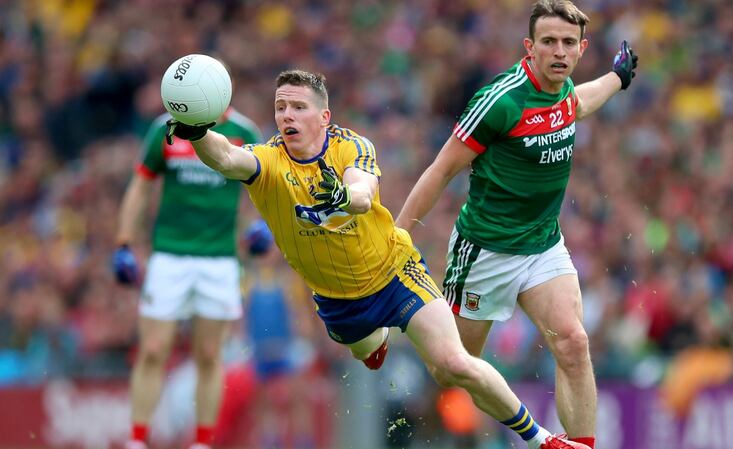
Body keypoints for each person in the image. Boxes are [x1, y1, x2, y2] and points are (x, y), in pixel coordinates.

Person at [163, 69, 591, 449]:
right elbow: (226, 156)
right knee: (367, 351)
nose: (286, 116)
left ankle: (542, 440)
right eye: (280, 107)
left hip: (395, 273)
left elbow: (363, 193)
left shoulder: (351, 146)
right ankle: (378, 342)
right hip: (338, 299)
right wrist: (196, 133)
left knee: (455, 362)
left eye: (298, 107)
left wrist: (342, 197)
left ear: (324, 117)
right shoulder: (268, 161)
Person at [395, 2, 639, 448]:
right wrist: (399, 235)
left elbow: (578, 103)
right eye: (549, 42)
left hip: (544, 244)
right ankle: (421, 431)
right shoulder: (500, 100)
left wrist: (618, 79)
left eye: (568, 43)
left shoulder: (563, 90)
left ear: (582, 48)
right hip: (485, 253)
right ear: (530, 47)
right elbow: (441, 169)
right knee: (451, 370)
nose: (559, 51)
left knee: (573, 342)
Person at [112, 106, 267, 449]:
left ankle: (202, 442)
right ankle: (137, 440)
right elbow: (141, 184)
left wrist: (259, 226)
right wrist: (124, 241)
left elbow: (261, 188)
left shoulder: (244, 131)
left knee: (210, 354)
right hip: (168, 256)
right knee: (152, 349)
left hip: (220, 260)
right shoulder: (164, 129)